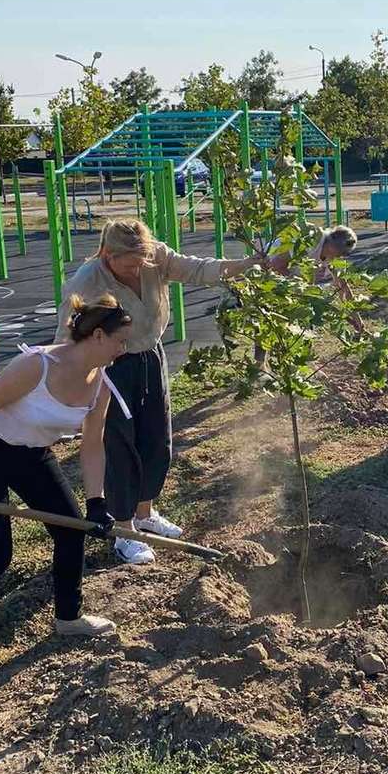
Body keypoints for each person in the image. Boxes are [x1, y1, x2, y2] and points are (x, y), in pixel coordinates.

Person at [0, 295, 133, 693]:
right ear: (98, 335)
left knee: (72, 531)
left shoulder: (100, 381)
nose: (124, 349)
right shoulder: (36, 365)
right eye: (120, 341)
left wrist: (97, 502)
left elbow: (92, 444)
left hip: (33, 457)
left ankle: (68, 617)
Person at [57, 220, 266, 565]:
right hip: (111, 366)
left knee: (157, 438)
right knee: (121, 446)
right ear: (108, 255)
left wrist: (245, 266)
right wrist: (74, 387)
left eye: (142, 261)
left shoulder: (156, 257)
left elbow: (199, 270)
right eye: (129, 263)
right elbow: (66, 339)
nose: (138, 268)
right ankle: (124, 530)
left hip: (151, 356)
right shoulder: (87, 282)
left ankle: (144, 512)